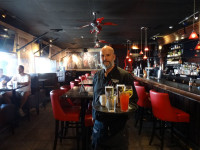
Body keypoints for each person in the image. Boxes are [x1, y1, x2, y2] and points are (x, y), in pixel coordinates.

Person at [92, 45, 138, 150]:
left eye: (108, 55)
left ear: (114, 57)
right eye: (102, 56)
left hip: (117, 128)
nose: (104, 58)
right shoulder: (97, 75)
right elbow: (95, 97)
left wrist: (124, 116)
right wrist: (93, 116)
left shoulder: (124, 75)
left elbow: (133, 101)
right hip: (98, 126)